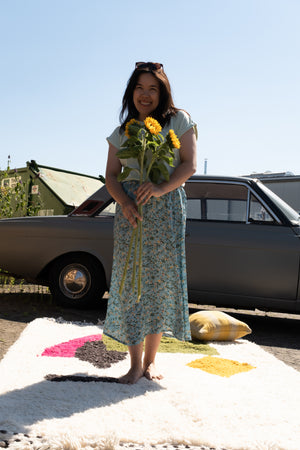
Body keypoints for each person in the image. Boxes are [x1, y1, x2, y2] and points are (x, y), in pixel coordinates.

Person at [104, 62, 197, 384]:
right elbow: (111, 176)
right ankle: (133, 364)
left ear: (162, 92)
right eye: (139, 88)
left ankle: (151, 361)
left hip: (166, 208)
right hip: (131, 212)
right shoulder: (122, 131)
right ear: (132, 92)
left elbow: (188, 166)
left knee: (157, 283)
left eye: (152, 88)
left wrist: (159, 188)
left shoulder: (178, 120)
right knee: (131, 282)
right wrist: (126, 202)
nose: (145, 95)